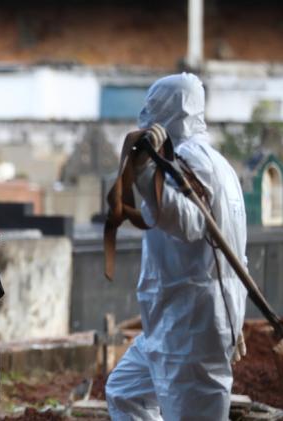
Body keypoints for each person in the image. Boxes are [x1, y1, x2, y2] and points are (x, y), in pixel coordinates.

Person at [105, 73, 248, 420]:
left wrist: (141, 173)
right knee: (126, 392)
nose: (146, 115)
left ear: (169, 109)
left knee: (194, 413)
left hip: (193, 321)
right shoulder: (217, 163)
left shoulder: (189, 159)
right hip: (179, 318)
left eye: (152, 106)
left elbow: (189, 221)